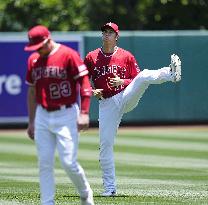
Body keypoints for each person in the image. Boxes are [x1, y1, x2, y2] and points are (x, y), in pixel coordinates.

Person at [84, 22, 181, 196]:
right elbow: (83, 80)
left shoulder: (126, 56)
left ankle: (170, 73)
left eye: (110, 33)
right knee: (105, 145)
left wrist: (123, 82)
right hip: (106, 103)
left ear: (116, 37)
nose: (106, 35)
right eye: (104, 32)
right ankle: (110, 189)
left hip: (125, 95)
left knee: (144, 75)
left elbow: (135, 79)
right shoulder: (91, 57)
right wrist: (91, 91)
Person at [24, 25, 94, 205]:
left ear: (48, 39)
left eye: (40, 45)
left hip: (67, 113)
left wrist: (85, 112)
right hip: (42, 114)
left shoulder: (68, 54)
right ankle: (47, 202)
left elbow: (85, 85)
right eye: (35, 47)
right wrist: (31, 121)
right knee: (44, 163)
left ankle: (85, 192)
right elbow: (32, 92)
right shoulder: (33, 59)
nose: (37, 50)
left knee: (68, 162)